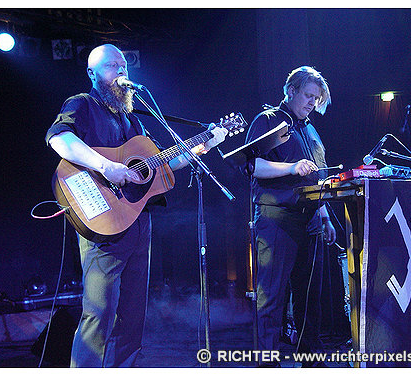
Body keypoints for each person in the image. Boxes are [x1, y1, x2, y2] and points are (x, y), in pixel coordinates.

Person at [45, 44, 227, 367]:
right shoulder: (82, 105)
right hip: (104, 223)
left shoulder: (132, 121)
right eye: (112, 66)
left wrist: (205, 144)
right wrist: (105, 166)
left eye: (124, 66)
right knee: (99, 314)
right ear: (92, 73)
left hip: (138, 222)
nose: (121, 72)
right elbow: (58, 138)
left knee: (132, 317)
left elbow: (160, 165)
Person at [244, 66, 336, 367]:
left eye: (316, 97)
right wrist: (292, 167)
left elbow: (316, 176)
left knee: (309, 296)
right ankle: (268, 363)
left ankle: (311, 358)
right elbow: (253, 166)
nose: (312, 102)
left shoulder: (309, 129)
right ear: (291, 90)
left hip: (309, 219)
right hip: (277, 219)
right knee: (271, 296)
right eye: (308, 95)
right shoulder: (270, 121)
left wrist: (324, 213)